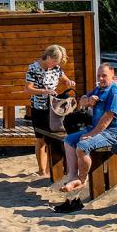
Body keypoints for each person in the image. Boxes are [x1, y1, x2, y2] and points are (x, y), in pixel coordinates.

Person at [61, 63, 117, 194]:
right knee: (68, 141)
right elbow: (81, 101)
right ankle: (72, 176)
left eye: (104, 76)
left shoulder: (115, 93)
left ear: (113, 77)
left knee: (82, 146)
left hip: (114, 133)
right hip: (99, 129)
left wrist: (91, 134)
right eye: (99, 76)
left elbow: (107, 119)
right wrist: (88, 101)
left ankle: (81, 180)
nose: (101, 78)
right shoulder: (99, 89)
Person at [24, 44, 75, 178]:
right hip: (38, 108)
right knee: (40, 140)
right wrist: (43, 91)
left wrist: (69, 82)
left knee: (53, 139)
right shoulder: (33, 68)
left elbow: (64, 79)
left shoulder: (56, 68)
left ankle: (52, 170)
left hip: (53, 108)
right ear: (48, 56)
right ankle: (42, 171)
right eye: (53, 62)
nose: (54, 65)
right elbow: (27, 89)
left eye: (56, 63)